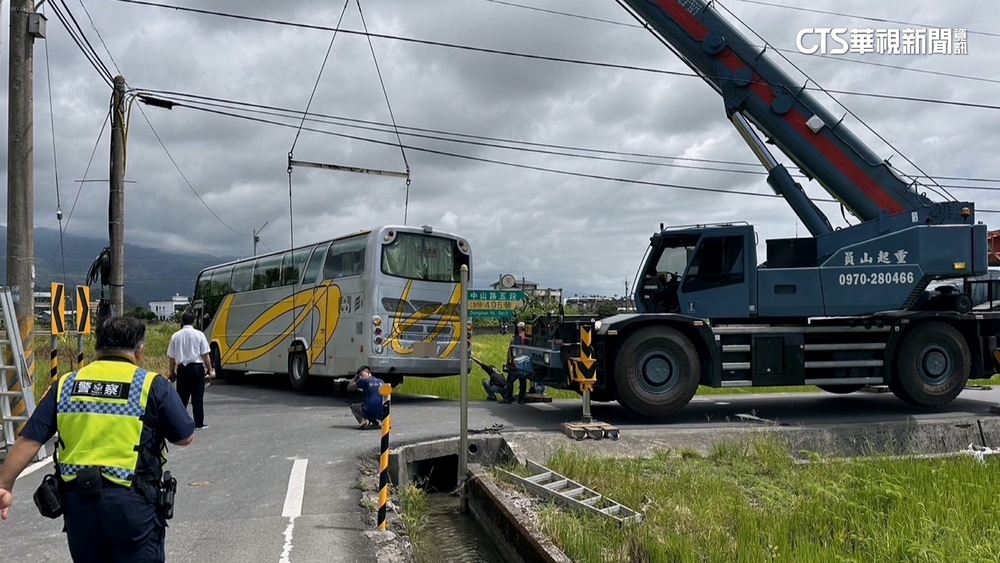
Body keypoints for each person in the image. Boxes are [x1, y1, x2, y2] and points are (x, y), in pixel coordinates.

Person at [0, 316, 195, 562]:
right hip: (132, 503)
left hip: (78, 504)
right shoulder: (151, 384)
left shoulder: (65, 385)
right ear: (140, 350)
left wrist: (4, 485)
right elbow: (185, 437)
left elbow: (29, 441)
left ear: (97, 349)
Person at [167, 311, 214, 430]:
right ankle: (198, 423)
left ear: (182, 321)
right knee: (197, 396)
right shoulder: (199, 335)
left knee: (182, 397)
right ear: (194, 321)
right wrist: (210, 369)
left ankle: (180, 422)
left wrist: (172, 371)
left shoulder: (175, 336)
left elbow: (172, 357)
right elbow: (205, 355)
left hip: (182, 369)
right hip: (196, 368)